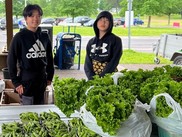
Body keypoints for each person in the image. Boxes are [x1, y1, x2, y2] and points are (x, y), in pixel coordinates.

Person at [7, 4, 54, 105]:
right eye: (31, 16)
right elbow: (11, 61)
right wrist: (16, 82)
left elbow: (50, 58)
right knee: (28, 113)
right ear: (25, 19)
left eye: (38, 16)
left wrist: (50, 76)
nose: (35, 19)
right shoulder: (19, 37)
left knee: (41, 111)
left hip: (42, 81)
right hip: (26, 82)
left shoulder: (45, 37)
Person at [84, 11, 123, 80]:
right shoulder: (91, 42)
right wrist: (91, 78)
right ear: (96, 22)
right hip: (93, 78)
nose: (103, 23)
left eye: (106, 20)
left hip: (109, 78)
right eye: (100, 20)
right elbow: (88, 62)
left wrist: (102, 78)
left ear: (110, 23)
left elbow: (114, 61)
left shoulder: (116, 40)